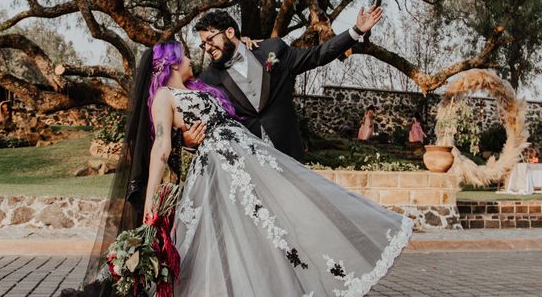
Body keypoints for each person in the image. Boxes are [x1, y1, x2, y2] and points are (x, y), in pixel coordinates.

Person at [99, 41, 411, 296]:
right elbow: (162, 147)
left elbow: (235, 70)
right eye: (183, 54)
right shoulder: (163, 98)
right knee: (234, 239)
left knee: (282, 217)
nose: (191, 55)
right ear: (171, 63)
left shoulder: (200, 87)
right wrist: (150, 204)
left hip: (249, 155)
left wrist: (245, 43)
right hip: (220, 169)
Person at [191, 6, 383, 160]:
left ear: (230, 32)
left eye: (209, 39)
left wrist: (356, 31)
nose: (207, 48)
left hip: (289, 153)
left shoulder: (272, 49)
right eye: (203, 44)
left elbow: (317, 55)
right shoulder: (208, 80)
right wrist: (187, 139)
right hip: (248, 163)